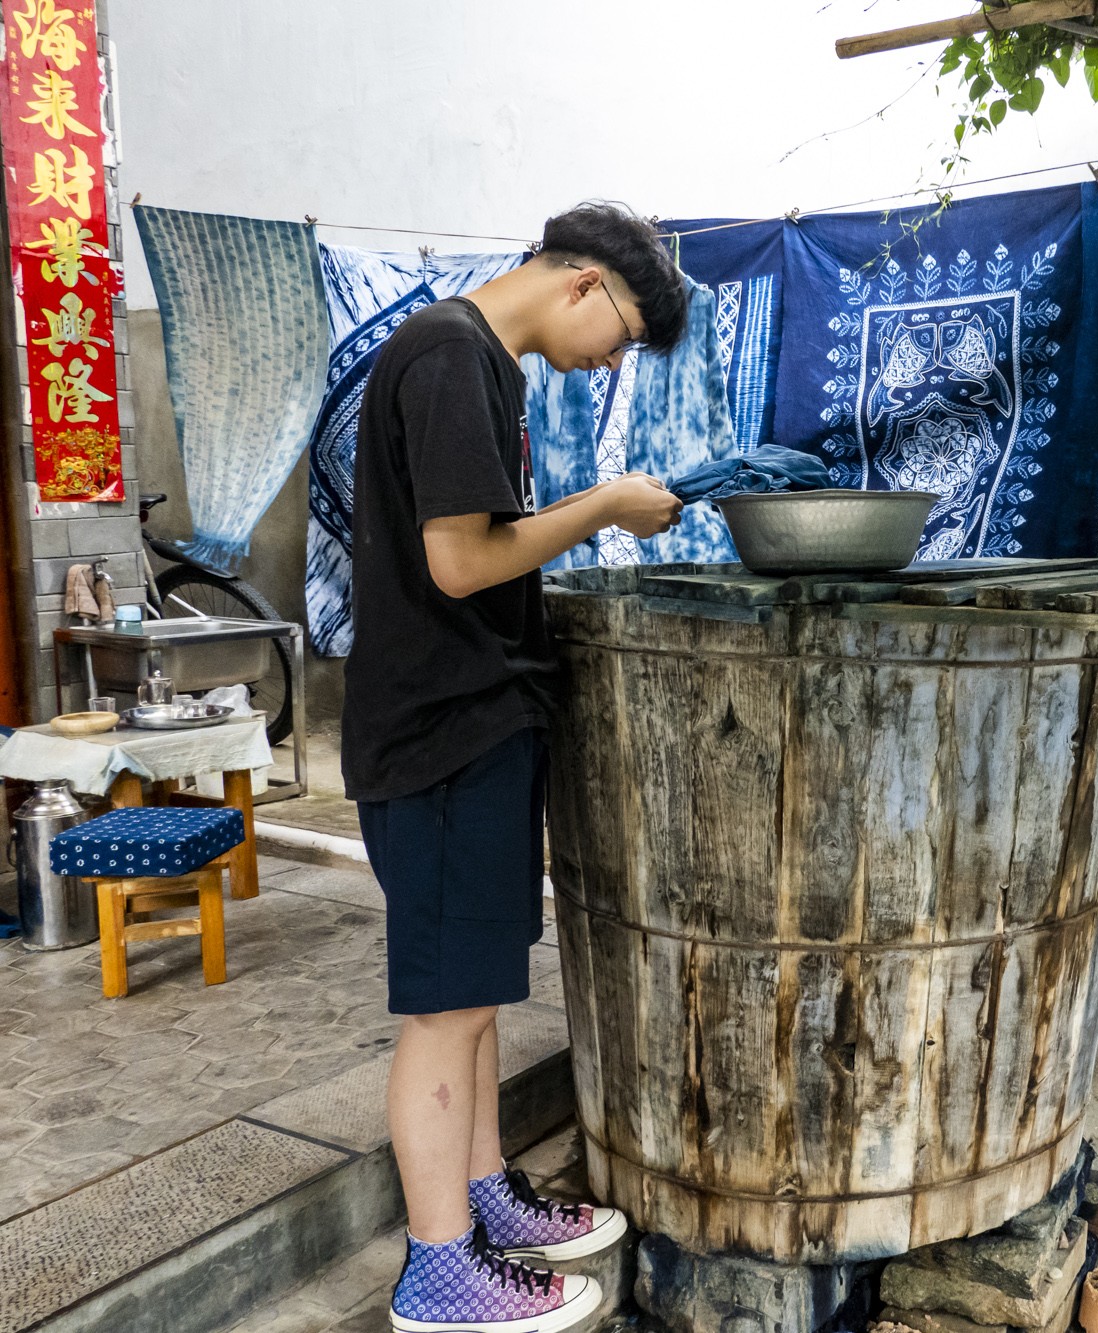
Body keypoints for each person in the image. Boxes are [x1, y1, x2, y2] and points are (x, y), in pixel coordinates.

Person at [343, 201, 687, 1332]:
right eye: (624, 334)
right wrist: (599, 508)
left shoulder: (481, 362)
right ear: (583, 284)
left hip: (472, 723)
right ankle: (437, 1266)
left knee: (478, 987)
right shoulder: (450, 356)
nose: (613, 358)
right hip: (440, 729)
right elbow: (457, 563)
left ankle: (482, 1194)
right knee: (445, 1007)